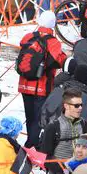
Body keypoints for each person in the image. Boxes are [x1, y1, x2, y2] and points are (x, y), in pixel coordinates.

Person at [19, 11, 69, 145]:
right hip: (41, 86)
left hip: (24, 84)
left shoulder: (27, 37)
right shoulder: (53, 42)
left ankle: (30, 142)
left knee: (29, 117)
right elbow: (56, 61)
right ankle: (32, 146)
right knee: (39, 119)